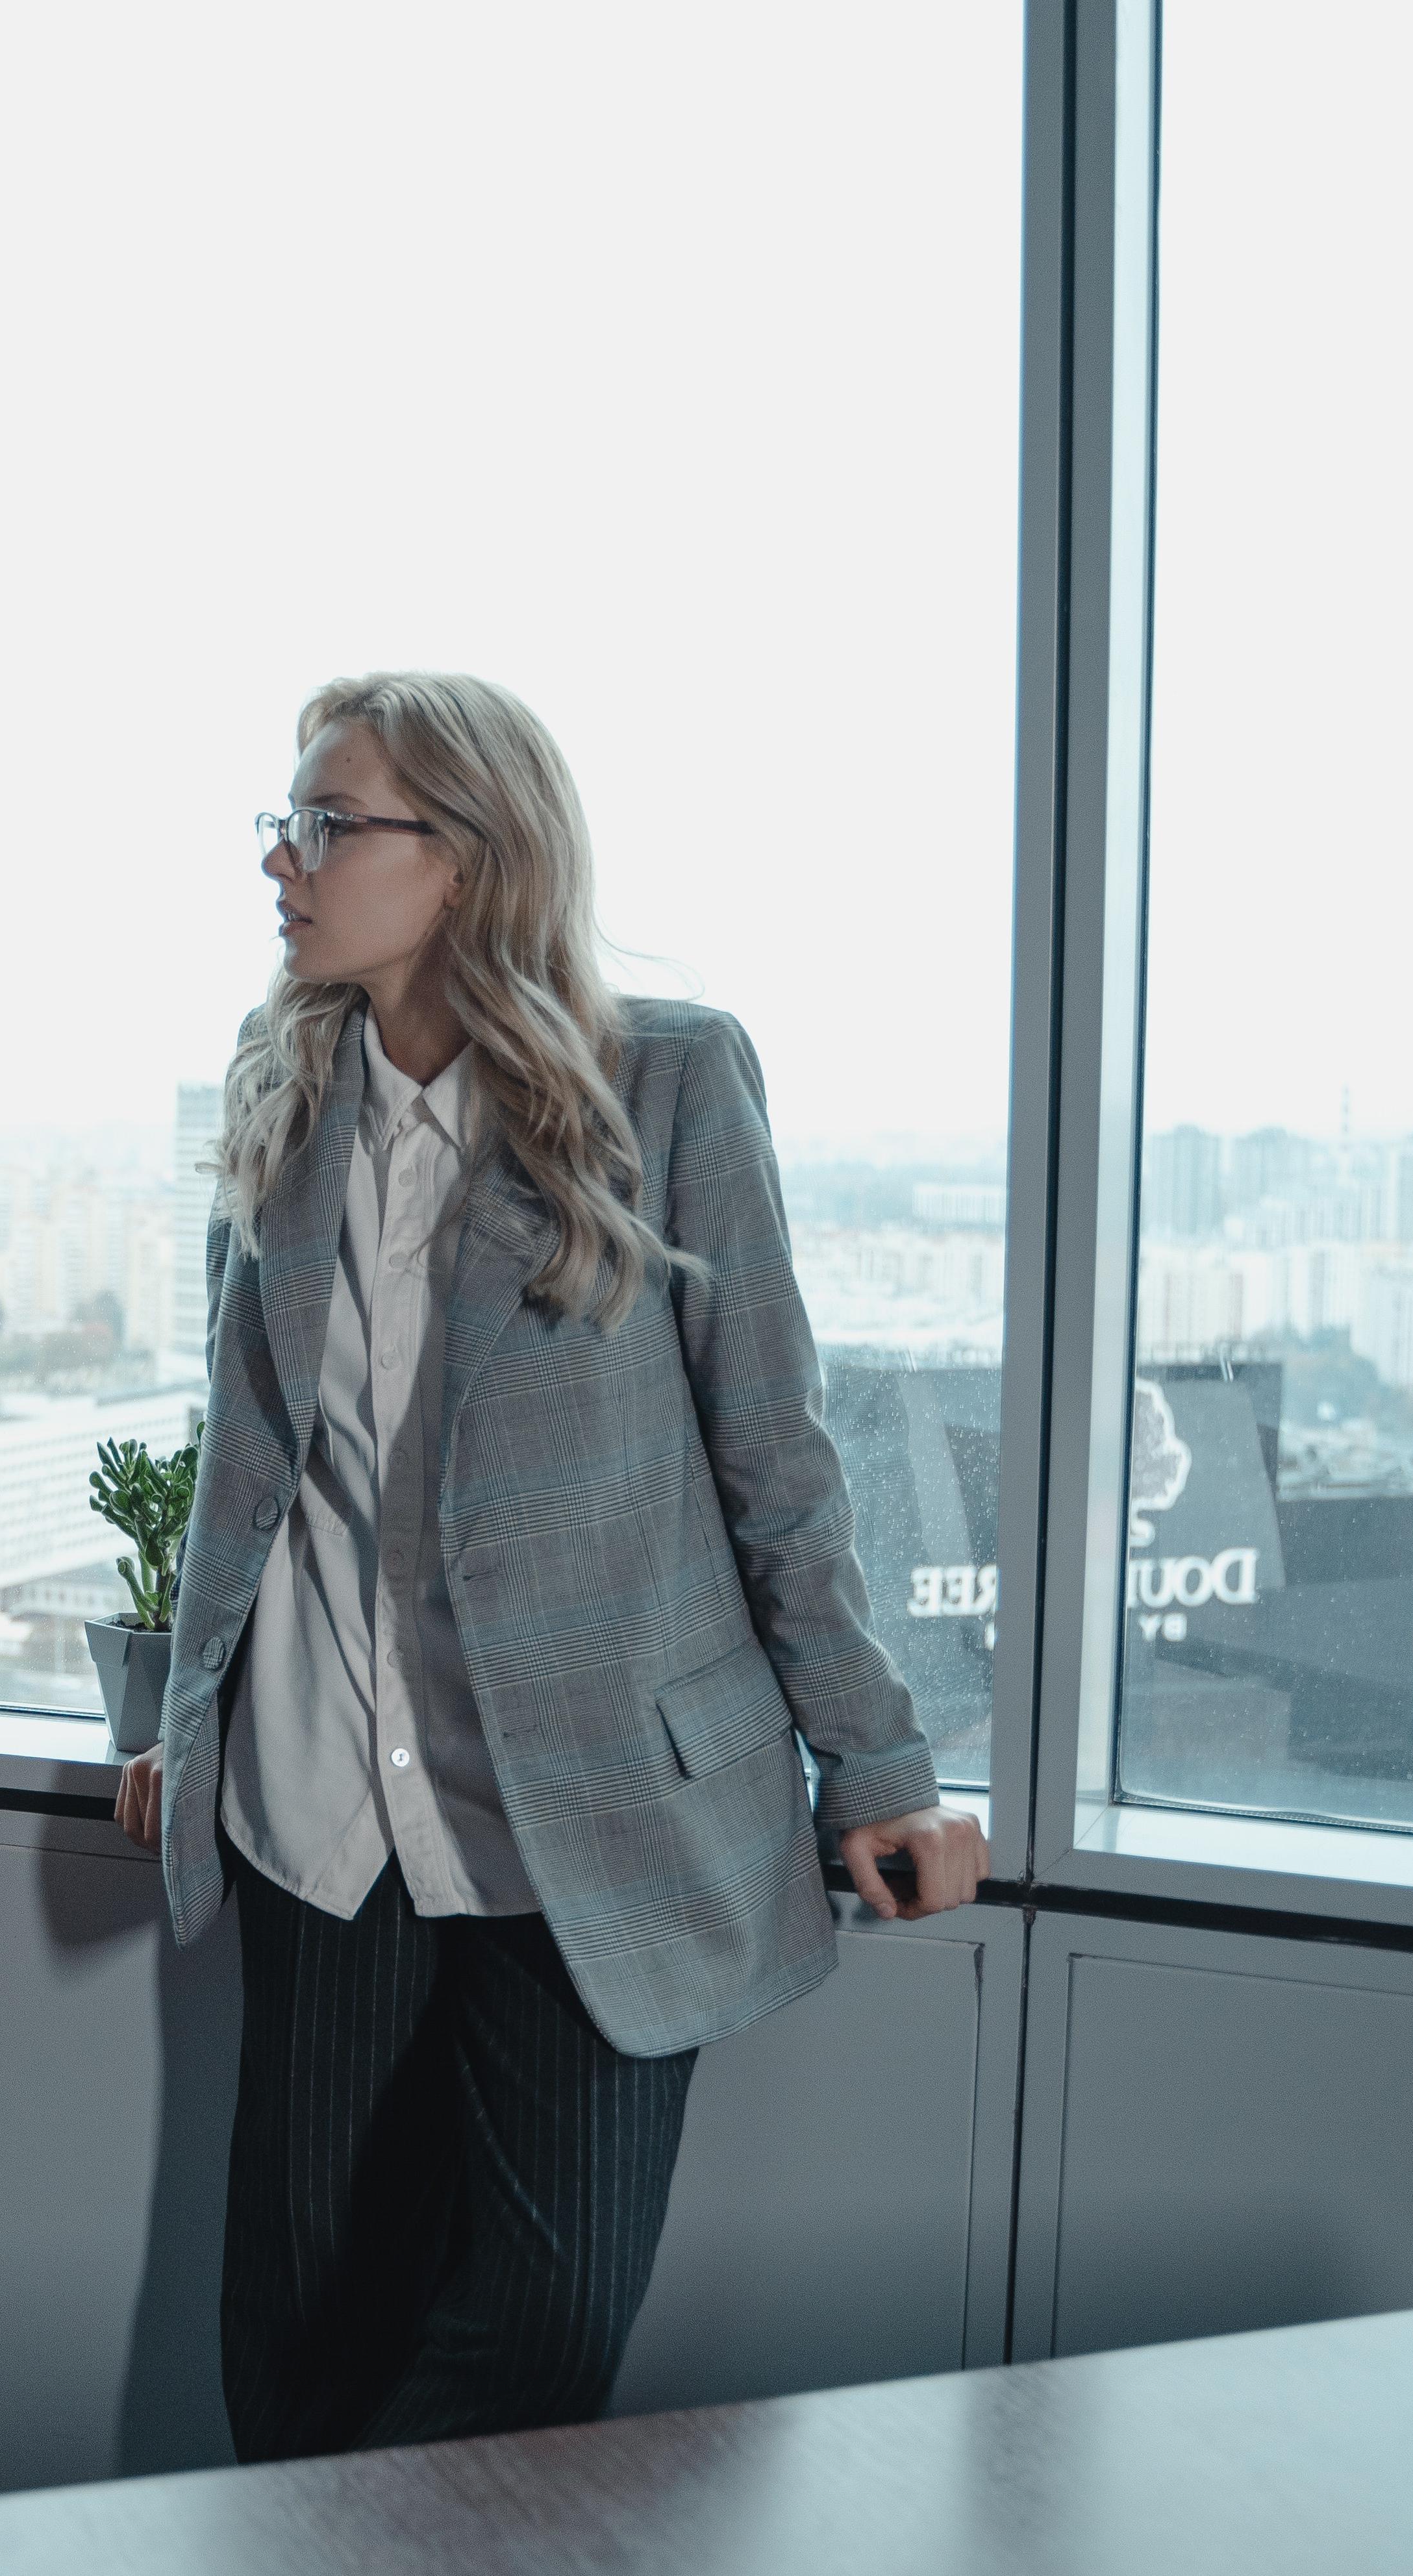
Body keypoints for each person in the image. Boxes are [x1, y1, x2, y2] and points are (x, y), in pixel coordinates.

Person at [113, 670, 988, 2462]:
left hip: (589, 1817)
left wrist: (876, 1762)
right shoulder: (284, 1089)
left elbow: (776, 1457)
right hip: (323, 1813)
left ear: (467, 860)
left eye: (328, 822)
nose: (283, 862)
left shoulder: (666, 1081)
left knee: (548, 2323)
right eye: (283, 821)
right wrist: (185, 1722)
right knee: (300, 2331)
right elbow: (248, 1467)